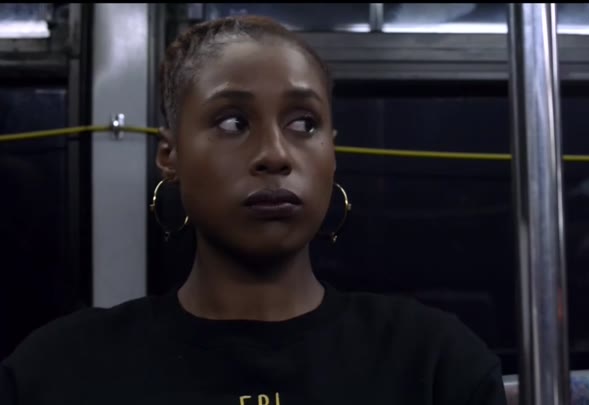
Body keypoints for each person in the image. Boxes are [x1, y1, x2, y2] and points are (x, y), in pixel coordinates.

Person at [0, 15, 506, 404]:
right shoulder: (59, 374)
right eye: (232, 123)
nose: (275, 155)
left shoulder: (433, 367)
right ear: (170, 156)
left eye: (303, 124)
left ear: (332, 151)